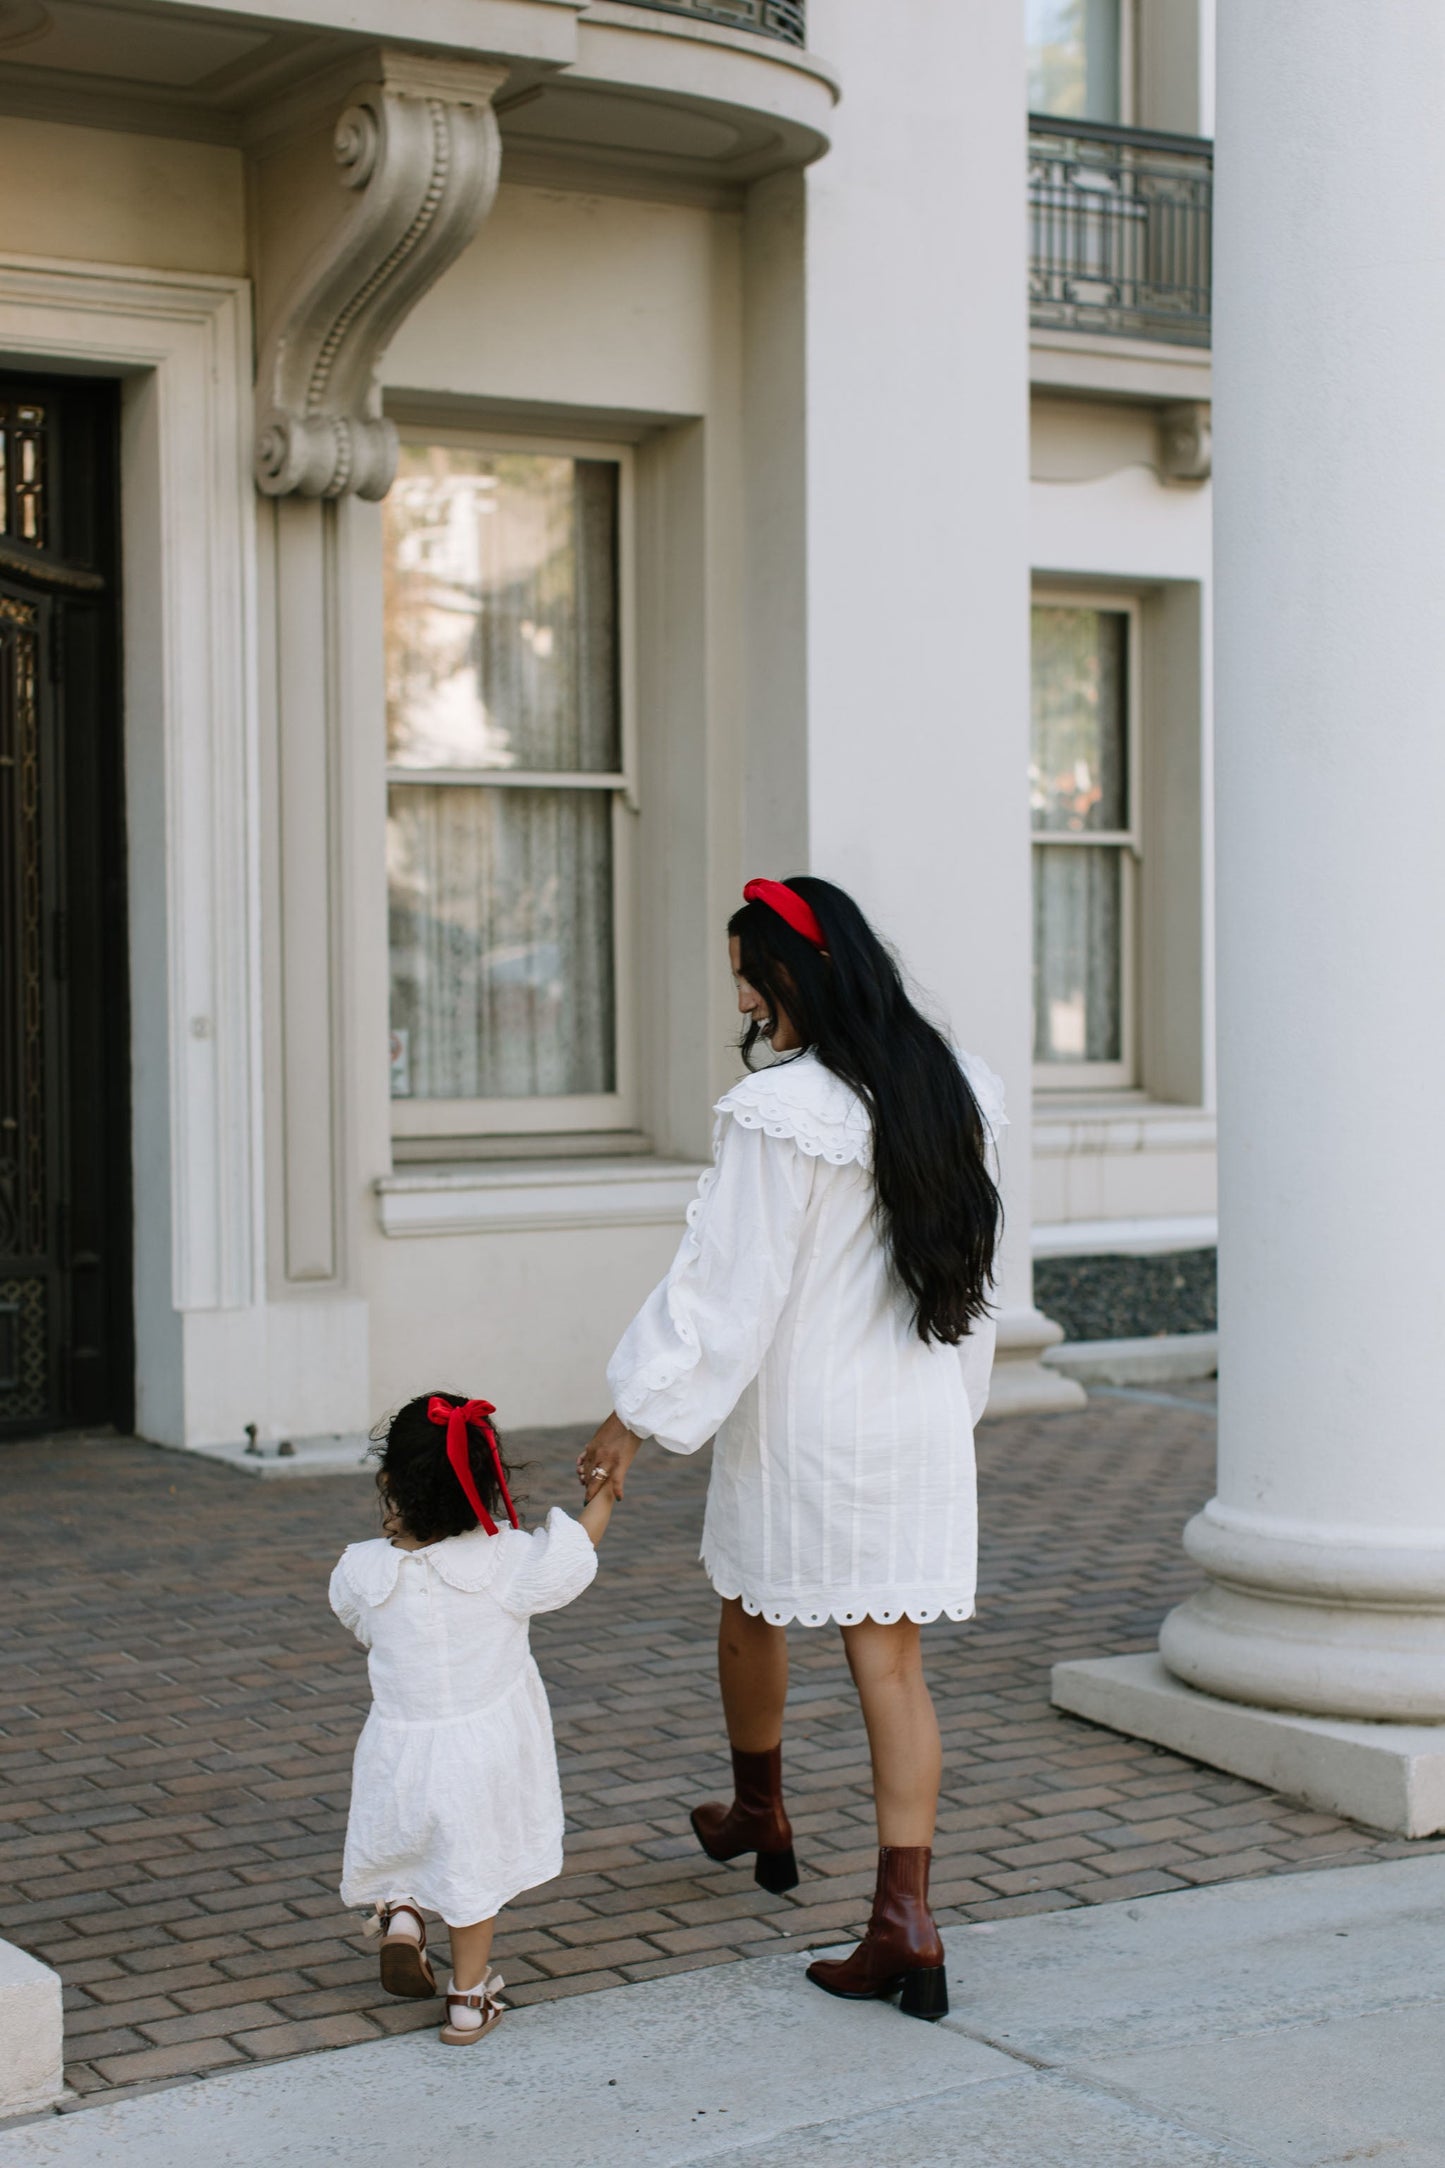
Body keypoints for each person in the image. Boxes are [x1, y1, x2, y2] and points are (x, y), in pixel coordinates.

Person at [578, 876, 1003, 2023]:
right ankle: (901, 1915)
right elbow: (977, 1275)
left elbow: (726, 1293)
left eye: (748, 978)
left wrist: (636, 1410)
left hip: (809, 1417)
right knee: (891, 1661)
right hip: (911, 1408)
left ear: (790, 977)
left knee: (749, 1597)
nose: (745, 1001)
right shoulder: (953, 1090)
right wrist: (953, 1409)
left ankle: (759, 1805)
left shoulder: (781, 1113)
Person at [331, 1392, 616, 2046]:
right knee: (471, 1876)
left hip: (398, 1750)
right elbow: (572, 1558)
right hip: (481, 1754)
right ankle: (466, 1998)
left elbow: (359, 1622)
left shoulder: (362, 1571)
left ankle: (401, 1915)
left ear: (388, 1482)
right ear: (488, 1480)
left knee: (405, 1846)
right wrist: (602, 1493)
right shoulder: (506, 1562)